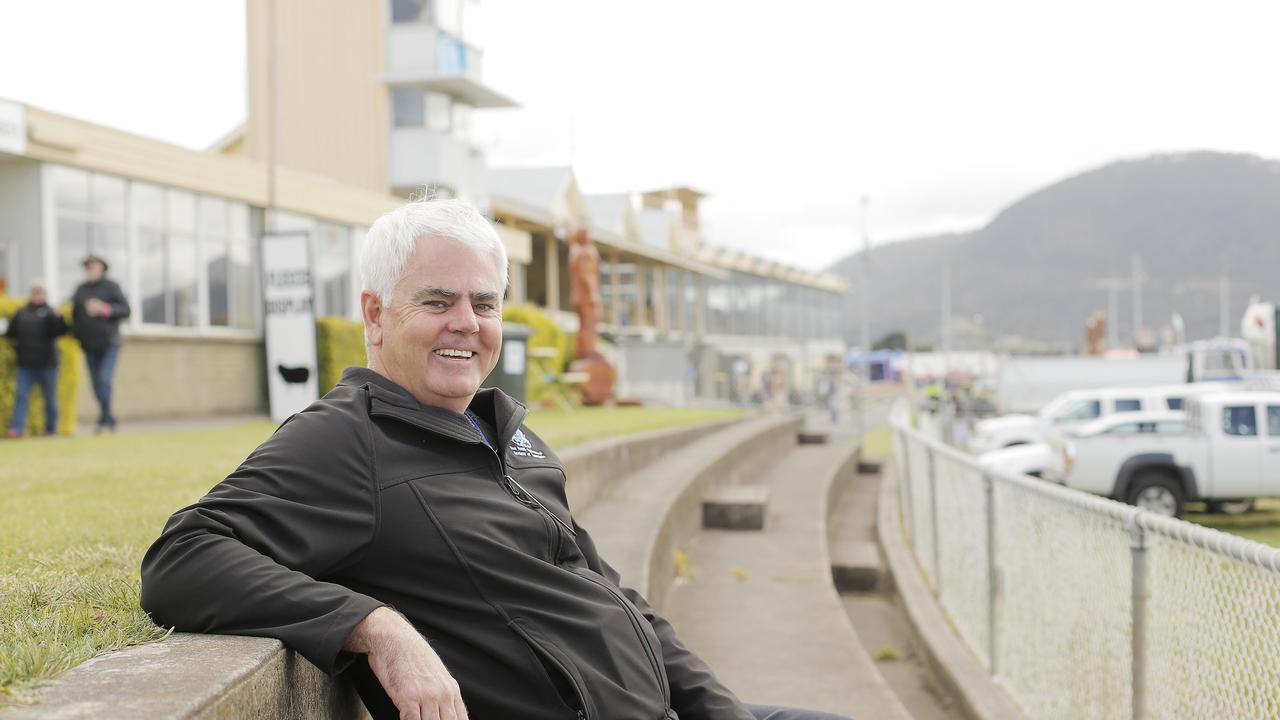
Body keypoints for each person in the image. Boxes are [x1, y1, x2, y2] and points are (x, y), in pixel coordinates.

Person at [141, 199, 851, 720]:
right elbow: (183, 557)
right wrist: (376, 626)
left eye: (485, 303)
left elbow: (611, 597)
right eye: (437, 301)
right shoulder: (345, 439)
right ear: (375, 314)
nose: (467, 323)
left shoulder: (510, 438)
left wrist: (721, 712)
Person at [71, 254, 130, 433]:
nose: (90, 269)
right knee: (96, 384)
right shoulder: (80, 289)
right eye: (87, 266)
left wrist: (105, 309)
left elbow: (126, 310)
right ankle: (108, 419)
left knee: (104, 379)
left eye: (93, 266)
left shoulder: (111, 286)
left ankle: (104, 420)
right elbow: (75, 315)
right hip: (89, 344)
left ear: (102, 267)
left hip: (109, 342)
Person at [5, 280, 69, 438]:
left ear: (45, 295)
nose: (37, 296)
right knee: (21, 397)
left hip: (48, 364)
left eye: (40, 293)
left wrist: (59, 318)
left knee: (50, 399)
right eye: (35, 293)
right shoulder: (21, 313)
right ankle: (17, 429)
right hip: (25, 364)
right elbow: (11, 333)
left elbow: (61, 331)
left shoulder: (51, 313)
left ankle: (51, 430)